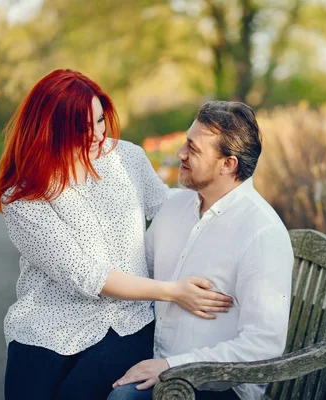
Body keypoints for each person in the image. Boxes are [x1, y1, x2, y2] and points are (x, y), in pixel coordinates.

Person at [0, 69, 233, 400]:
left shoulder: (126, 157)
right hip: (46, 326)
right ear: (49, 130)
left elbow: (164, 207)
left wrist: (227, 195)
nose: (96, 135)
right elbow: (89, 276)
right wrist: (172, 291)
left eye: (100, 120)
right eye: (80, 127)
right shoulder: (23, 196)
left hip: (125, 321)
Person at [108, 101, 294, 400]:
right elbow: (141, 273)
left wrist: (172, 367)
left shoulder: (262, 233)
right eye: (185, 142)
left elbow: (263, 344)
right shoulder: (175, 206)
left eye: (193, 149)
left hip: (218, 385)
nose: (180, 153)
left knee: (123, 398)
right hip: (154, 354)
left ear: (228, 164)